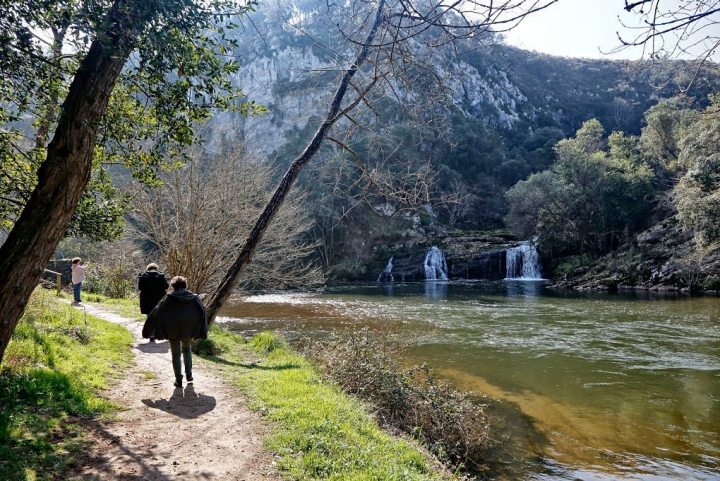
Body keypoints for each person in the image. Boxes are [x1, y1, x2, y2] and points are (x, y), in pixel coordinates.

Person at [142, 276, 208, 388]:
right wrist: (202, 330)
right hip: (188, 328)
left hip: (172, 329)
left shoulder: (168, 298)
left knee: (175, 354)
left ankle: (178, 380)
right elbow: (202, 313)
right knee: (187, 349)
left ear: (173, 286)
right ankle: (189, 374)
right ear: (185, 285)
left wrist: (147, 332)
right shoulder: (194, 298)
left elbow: (155, 313)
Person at [137, 263, 169, 343]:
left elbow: (140, 287)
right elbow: (166, 286)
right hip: (159, 299)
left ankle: (151, 334)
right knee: (159, 316)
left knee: (149, 316)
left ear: (148, 269)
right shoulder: (161, 276)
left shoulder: (143, 276)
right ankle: (159, 334)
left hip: (146, 299)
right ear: (156, 268)